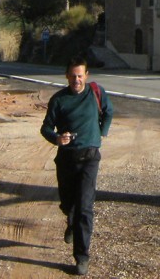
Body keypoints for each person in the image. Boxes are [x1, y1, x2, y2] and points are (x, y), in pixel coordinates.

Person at [40, 55, 113, 276]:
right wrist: (56, 139)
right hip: (66, 159)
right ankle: (70, 221)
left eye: (80, 76)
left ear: (86, 76)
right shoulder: (59, 100)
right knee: (68, 203)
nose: (76, 80)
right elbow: (45, 128)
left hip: (90, 157)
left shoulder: (96, 93)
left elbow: (109, 112)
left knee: (85, 208)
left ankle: (81, 257)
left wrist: (101, 132)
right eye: (72, 76)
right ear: (66, 76)